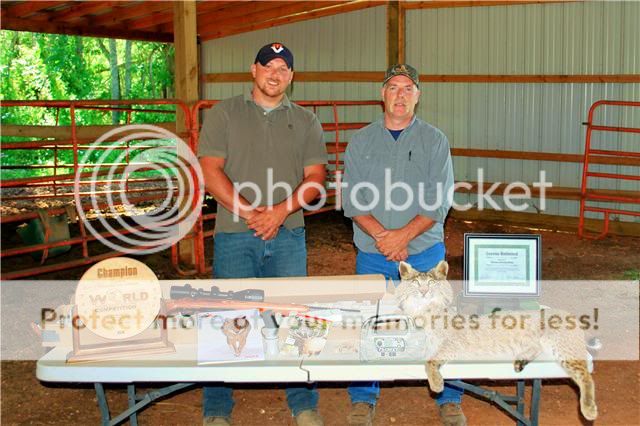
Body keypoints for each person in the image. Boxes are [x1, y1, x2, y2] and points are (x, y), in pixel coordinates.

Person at [197, 42, 328, 426]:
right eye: (268, 66)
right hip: (235, 234)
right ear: (253, 70)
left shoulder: (306, 120)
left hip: (288, 235)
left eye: (283, 68)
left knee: (294, 316)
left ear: (292, 76)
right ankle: (216, 407)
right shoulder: (225, 113)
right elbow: (209, 170)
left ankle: (303, 402)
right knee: (229, 316)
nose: (275, 73)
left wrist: (279, 212)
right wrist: (253, 214)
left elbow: (316, 177)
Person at [342, 64, 465, 426]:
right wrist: (386, 239)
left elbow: (438, 201)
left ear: (417, 95)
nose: (400, 95)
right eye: (393, 87)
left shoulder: (435, 140)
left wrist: (401, 238)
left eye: (408, 88)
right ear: (382, 94)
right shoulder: (361, 140)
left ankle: (449, 396)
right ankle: (363, 397)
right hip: (374, 253)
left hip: (424, 253)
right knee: (369, 322)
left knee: (438, 323)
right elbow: (352, 199)